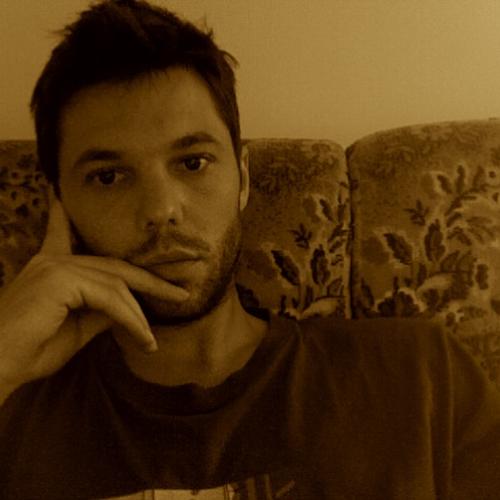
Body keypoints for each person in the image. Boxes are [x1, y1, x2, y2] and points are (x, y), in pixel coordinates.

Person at [0, 1, 499, 498]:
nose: (162, 209)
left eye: (193, 163)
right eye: (109, 177)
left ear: (242, 179)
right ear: (60, 201)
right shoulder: (14, 407)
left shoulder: (420, 374)